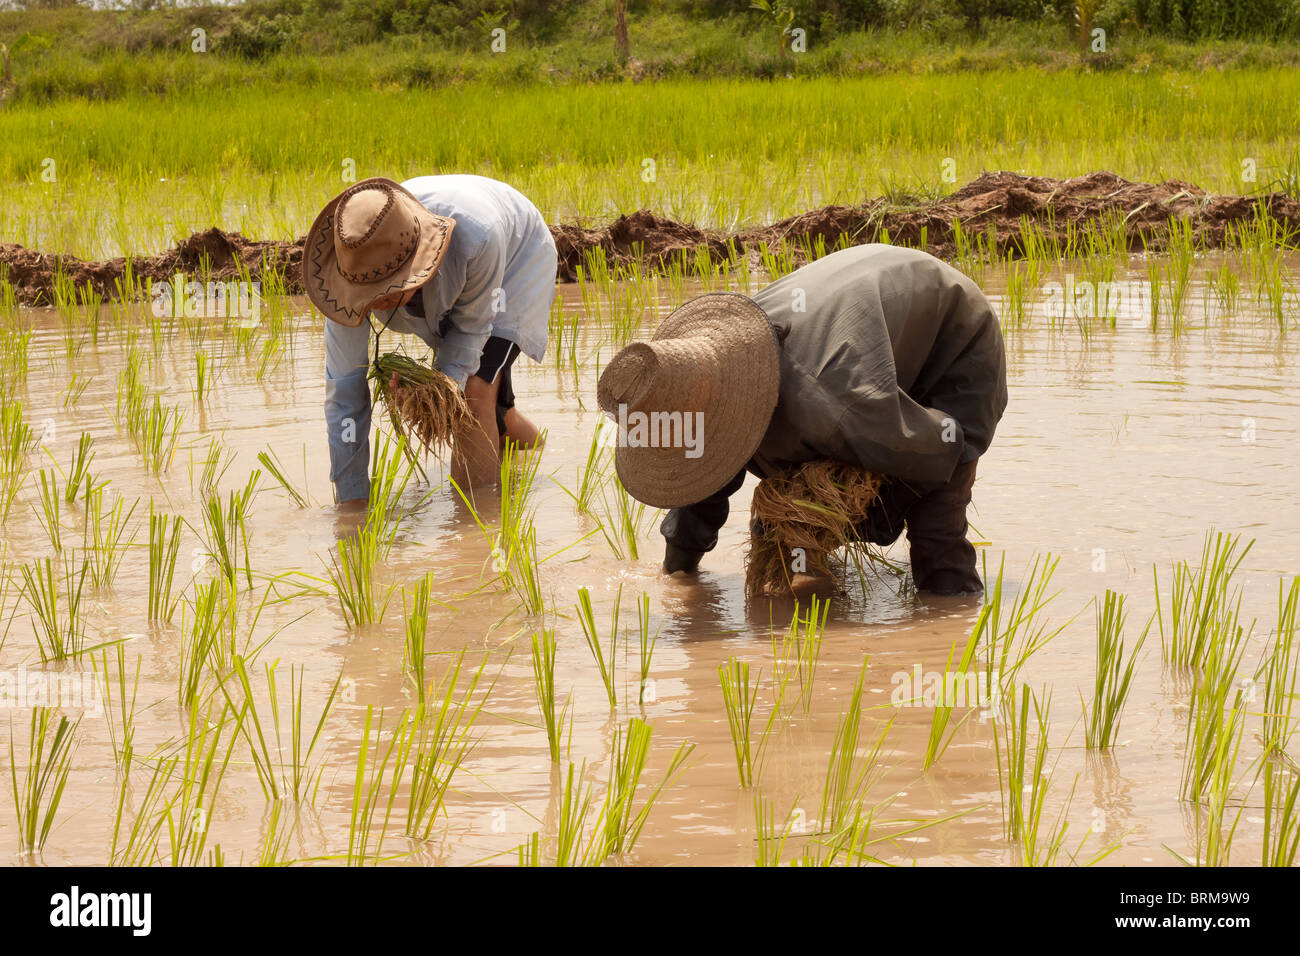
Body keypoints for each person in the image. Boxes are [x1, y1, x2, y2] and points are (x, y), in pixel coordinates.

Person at [595, 243, 1007, 596]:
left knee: (935, 535)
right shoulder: (714, 376)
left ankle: (951, 625)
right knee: (791, 525)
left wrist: (834, 514)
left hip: (953, 336)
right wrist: (678, 572)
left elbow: (929, 452)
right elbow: (702, 484)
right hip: (866, 316)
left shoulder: (834, 403)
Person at [303, 174, 556, 505]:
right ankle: (541, 454)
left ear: (413, 268)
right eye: (366, 294)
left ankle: (477, 526)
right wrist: (352, 506)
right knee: (490, 410)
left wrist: (435, 392)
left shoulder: (476, 240)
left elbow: (469, 335)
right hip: (462, 264)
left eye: (384, 291)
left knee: (474, 394)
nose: (373, 303)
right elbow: (344, 395)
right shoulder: (351, 267)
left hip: (513, 264)